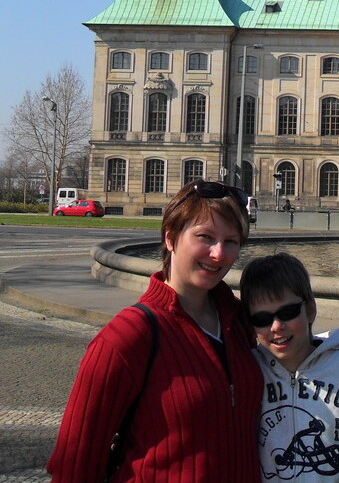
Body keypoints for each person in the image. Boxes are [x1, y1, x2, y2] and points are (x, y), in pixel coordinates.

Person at [47, 180, 263, 482]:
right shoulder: (129, 335)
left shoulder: (239, 322)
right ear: (171, 238)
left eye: (231, 241)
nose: (218, 254)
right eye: (205, 237)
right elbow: (74, 463)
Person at [239, 253, 339, 482]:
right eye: (262, 318)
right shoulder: (247, 371)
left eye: (287, 313)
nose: (276, 326)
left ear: (311, 310)